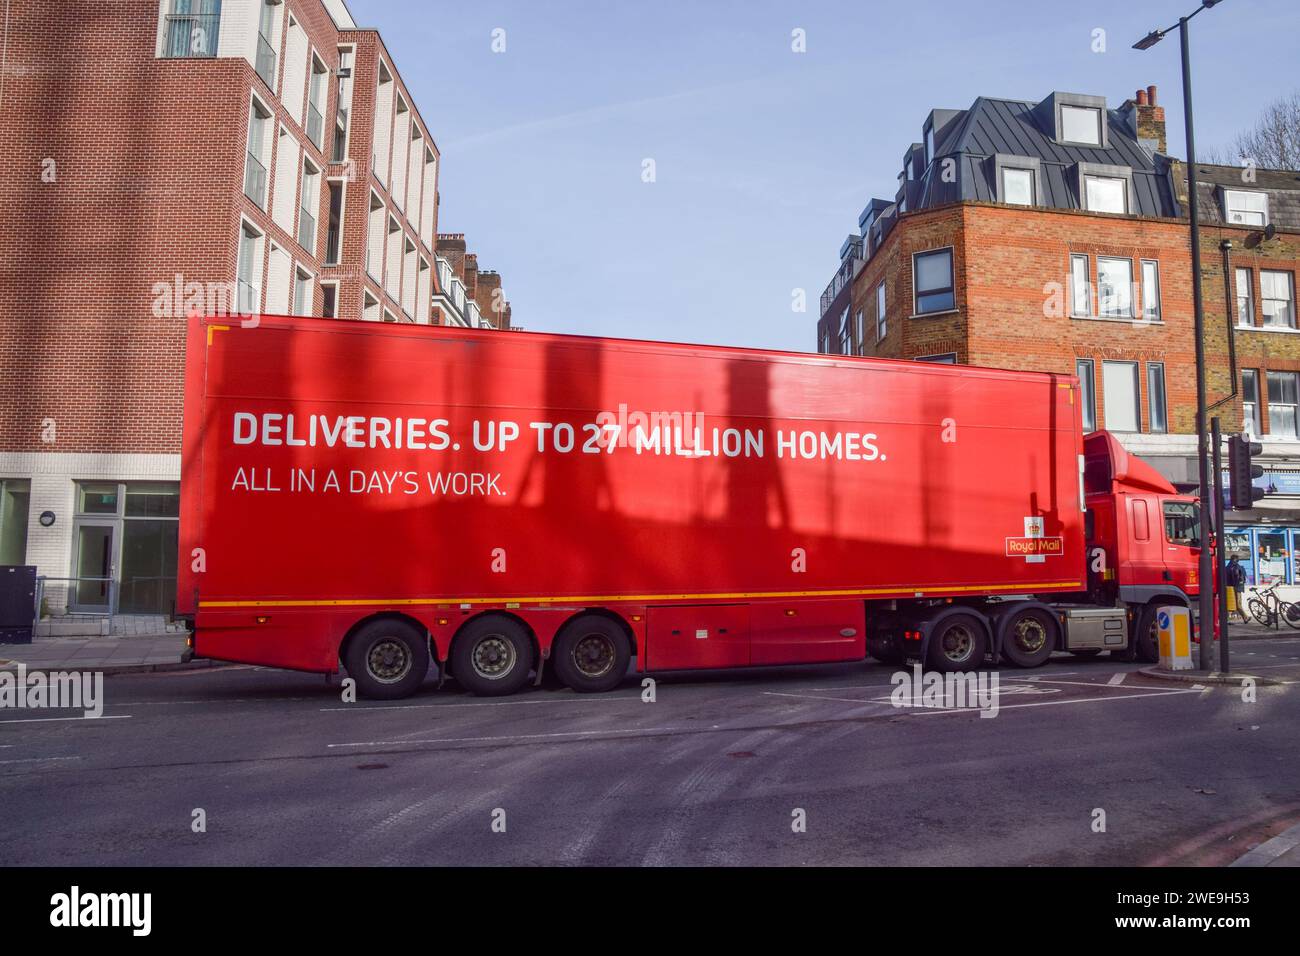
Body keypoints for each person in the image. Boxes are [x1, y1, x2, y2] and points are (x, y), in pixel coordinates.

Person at [1225, 556, 1248, 623]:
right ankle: (1245, 618)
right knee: (1236, 604)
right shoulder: (1238, 567)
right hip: (1237, 588)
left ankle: (1245, 617)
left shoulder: (1230, 567)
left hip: (1232, 588)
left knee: (1235, 604)